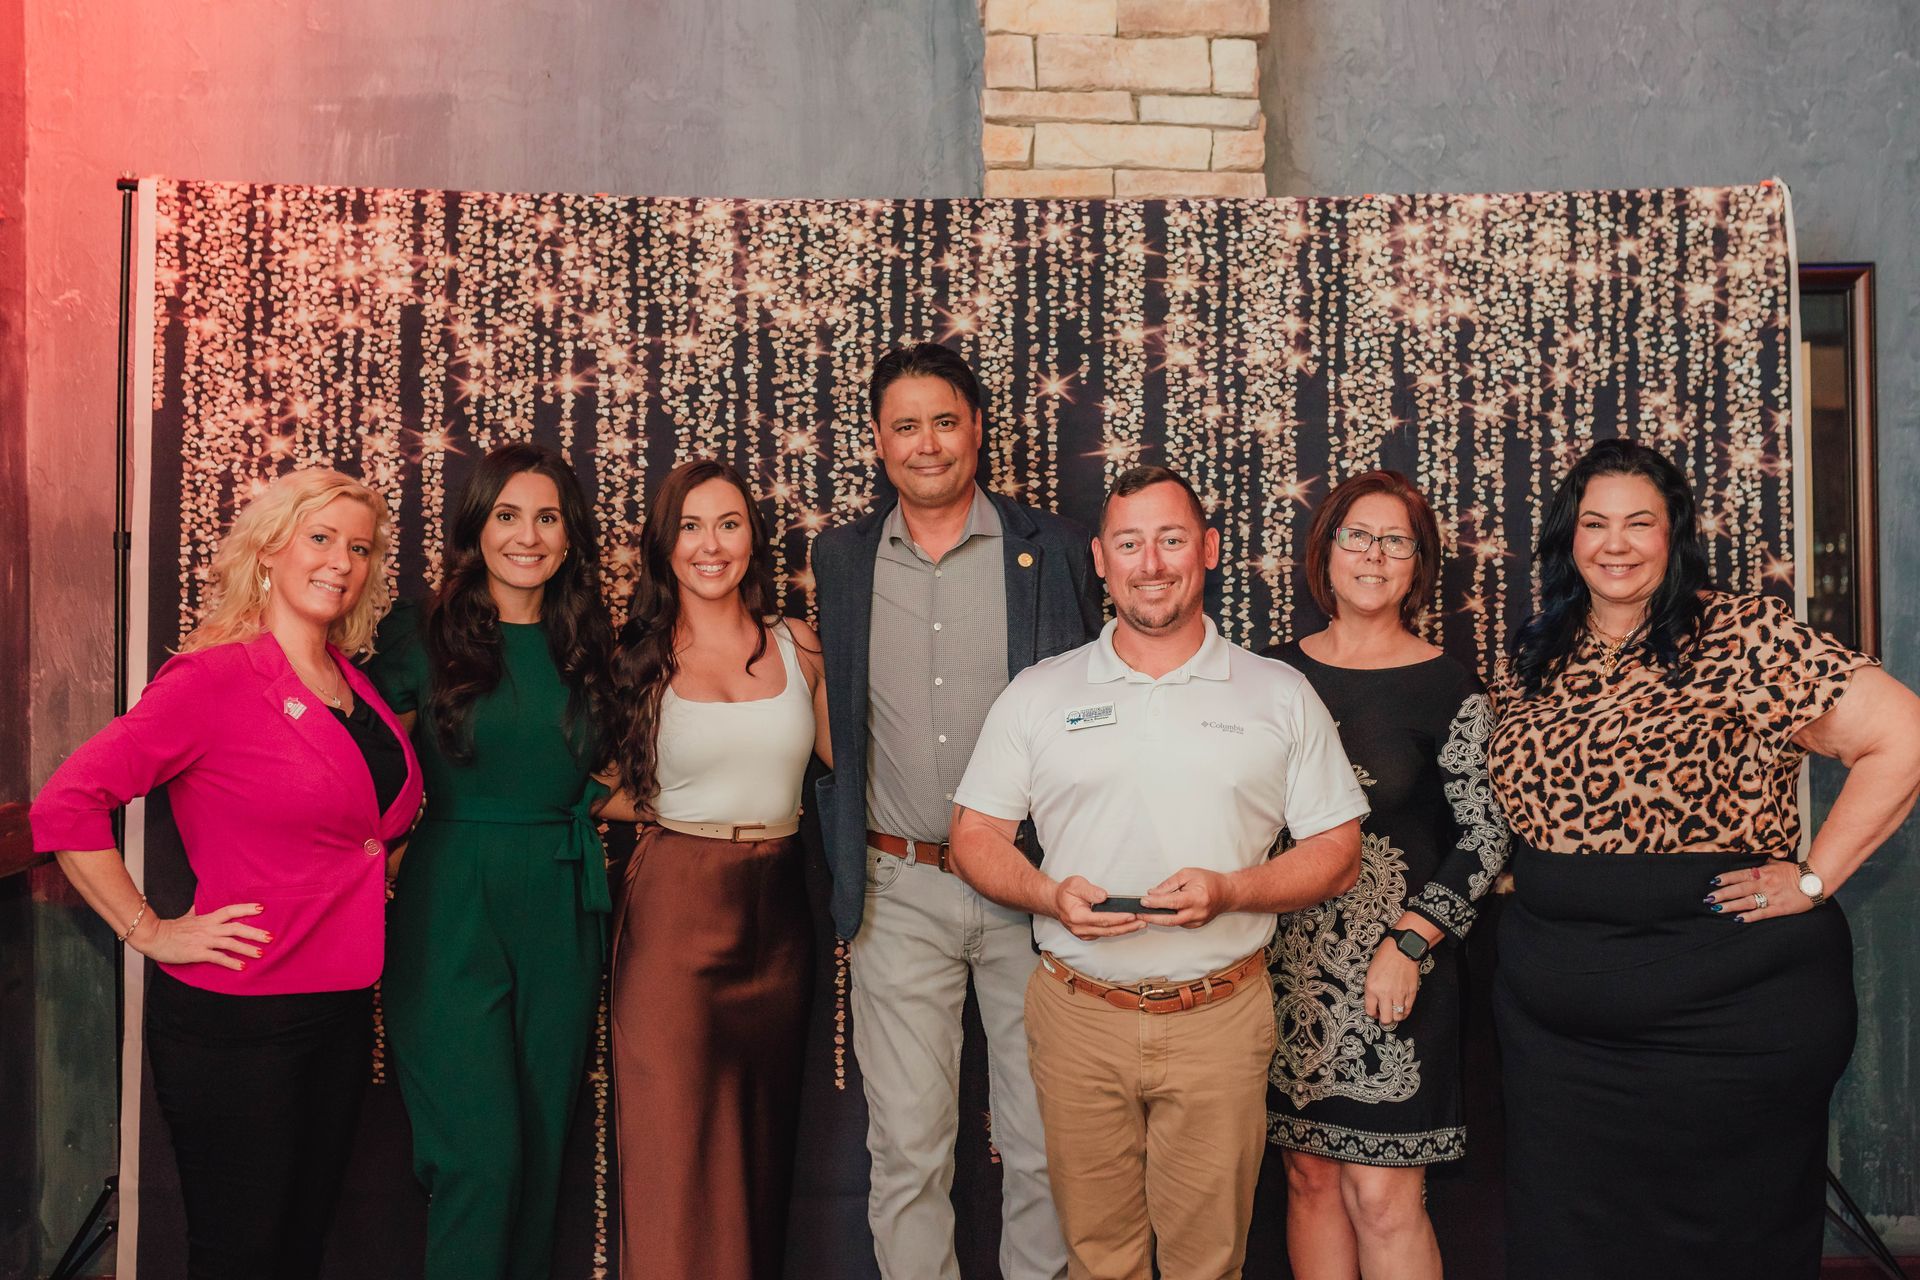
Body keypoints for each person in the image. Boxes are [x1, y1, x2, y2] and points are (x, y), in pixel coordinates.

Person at [1488, 438, 1920, 1279]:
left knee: (1720, 1245)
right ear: (1569, 537)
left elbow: (1901, 734)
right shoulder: (1535, 652)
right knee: (1569, 1243)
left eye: (1639, 523)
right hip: (1558, 1039)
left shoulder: (1739, 631)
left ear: (1673, 533)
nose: (1615, 544)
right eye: (1595, 523)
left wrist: (1814, 878)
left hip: (1727, 1021)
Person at [950, 464, 1369, 1280]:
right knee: (1097, 1259)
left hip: (1220, 1017)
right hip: (1077, 1016)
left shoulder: (1278, 693)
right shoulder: (1040, 693)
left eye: (1171, 540)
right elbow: (974, 837)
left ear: (1207, 549)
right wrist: (1047, 894)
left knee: (1207, 1262)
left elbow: (1338, 852)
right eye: (1129, 543)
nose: (1151, 564)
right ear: (1099, 560)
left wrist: (1233, 890)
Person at [31, 467, 423, 1280]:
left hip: (341, 1007)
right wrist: (149, 930)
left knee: (300, 1248)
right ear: (270, 549)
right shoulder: (213, 680)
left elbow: (363, 827)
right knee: (239, 1256)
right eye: (321, 538)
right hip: (239, 1019)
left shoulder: (353, 684)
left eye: (359, 549)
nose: (341, 562)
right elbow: (67, 804)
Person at [811, 342, 1101, 1279]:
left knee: (1045, 1146)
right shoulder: (841, 558)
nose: (927, 444)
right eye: (906, 426)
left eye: (945, 421)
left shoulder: (1054, 548)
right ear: (878, 440)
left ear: (977, 428)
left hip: (1030, 888)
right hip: (898, 888)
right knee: (907, 1151)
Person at [364, 443, 617, 1280]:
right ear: (477, 527)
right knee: (480, 1161)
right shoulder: (419, 631)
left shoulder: (590, 640)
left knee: (540, 1160)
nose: (527, 536)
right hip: (449, 904)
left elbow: (612, 770)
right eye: (507, 515)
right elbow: (364, 769)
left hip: (563, 903)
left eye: (547, 518)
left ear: (571, 536)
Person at [1263, 470, 1509, 1280]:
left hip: (1398, 971)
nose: (1374, 555)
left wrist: (1410, 941)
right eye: (1358, 537)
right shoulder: (1267, 677)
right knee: (1309, 1179)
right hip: (1282, 972)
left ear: (1418, 565)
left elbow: (1486, 834)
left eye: (1395, 542)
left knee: (1382, 1195)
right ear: (1326, 552)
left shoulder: (1448, 684)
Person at [597, 457, 831, 1280]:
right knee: (675, 1151)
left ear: (752, 541)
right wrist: (672, 812)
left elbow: (852, 768)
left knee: (756, 1155)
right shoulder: (638, 657)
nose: (710, 544)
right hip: (676, 914)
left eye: (728, 525)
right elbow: (584, 787)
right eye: (691, 527)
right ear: (665, 545)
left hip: (780, 919)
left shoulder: (799, 645)